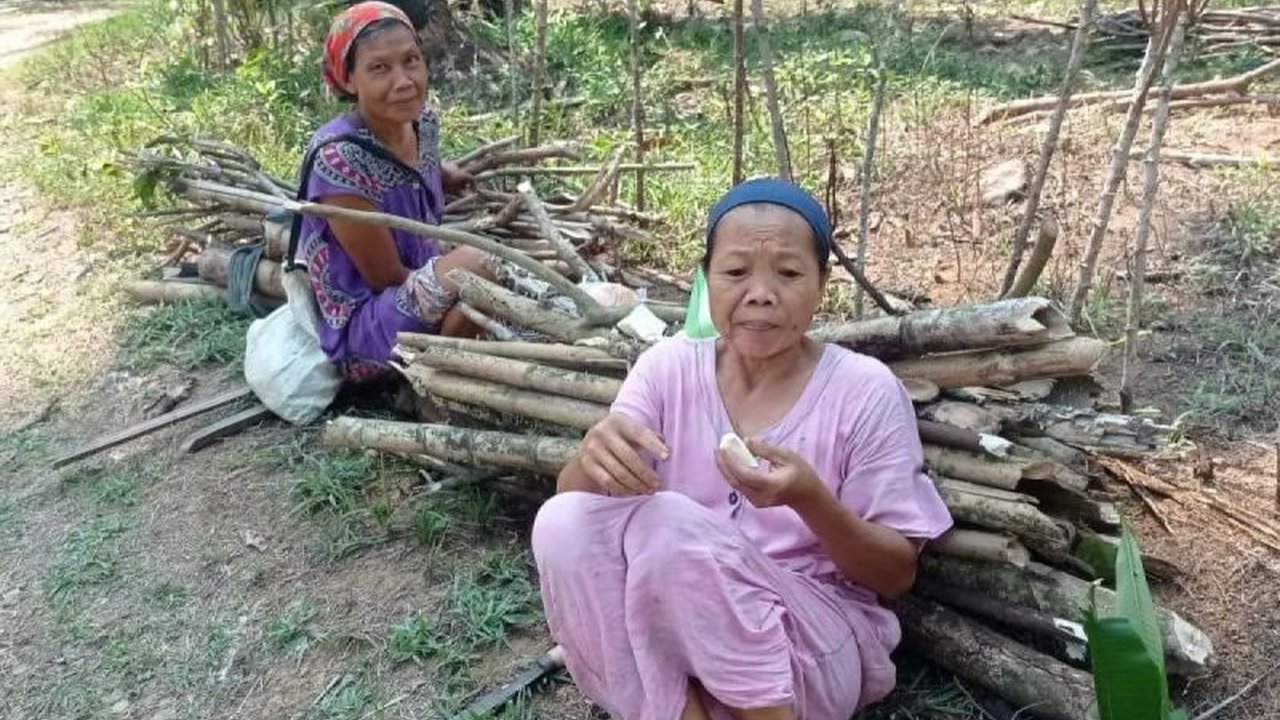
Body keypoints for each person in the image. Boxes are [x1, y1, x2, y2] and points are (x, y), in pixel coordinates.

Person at [531, 178, 953, 720]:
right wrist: (594, 455)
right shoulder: (667, 368)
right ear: (706, 278)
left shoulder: (865, 392)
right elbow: (580, 516)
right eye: (735, 272)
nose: (760, 293)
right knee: (563, 520)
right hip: (670, 645)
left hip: (809, 648)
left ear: (823, 282)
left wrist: (809, 500)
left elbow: (895, 576)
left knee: (665, 524)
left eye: (789, 273)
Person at [297, 1, 492, 381]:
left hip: (419, 291)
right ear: (349, 80)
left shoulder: (424, 125)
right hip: (369, 330)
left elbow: (418, 175)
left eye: (411, 60)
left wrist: (440, 172)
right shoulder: (339, 161)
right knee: (480, 264)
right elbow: (386, 278)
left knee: (481, 283)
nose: (403, 81)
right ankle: (429, 385)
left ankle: (438, 379)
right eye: (379, 68)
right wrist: (459, 275)